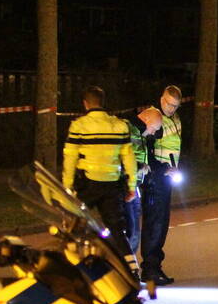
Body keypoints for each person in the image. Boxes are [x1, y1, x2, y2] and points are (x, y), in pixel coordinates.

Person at [62, 85, 139, 275]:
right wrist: (131, 185)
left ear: (85, 104)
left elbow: (70, 157)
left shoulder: (79, 126)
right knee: (117, 230)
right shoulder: (120, 126)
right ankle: (132, 270)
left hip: (87, 184)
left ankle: (70, 269)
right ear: (103, 103)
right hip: (112, 185)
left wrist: (66, 186)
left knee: (74, 227)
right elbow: (128, 157)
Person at [139, 85, 183, 286]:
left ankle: (154, 267)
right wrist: (162, 168)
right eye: (168, 103)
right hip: (155, 178)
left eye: (175, 106)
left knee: (161, 223)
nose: (171, 108)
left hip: (166, 176)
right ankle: (150, 270)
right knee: (155, 224)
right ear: (161, 99)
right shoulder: (153, 117)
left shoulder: (175, 120)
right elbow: (145, 150)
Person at [124, 107, 162, 255]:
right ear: (146, 120)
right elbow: (121, 157)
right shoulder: (127, 129)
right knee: (130, 232)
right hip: (126, 187)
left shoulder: (139, 133)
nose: (153, 133)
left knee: (134, 233)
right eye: (154, 128)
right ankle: (128, 270)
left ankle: (131, 269)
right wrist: (140, 167)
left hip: (135, 187)